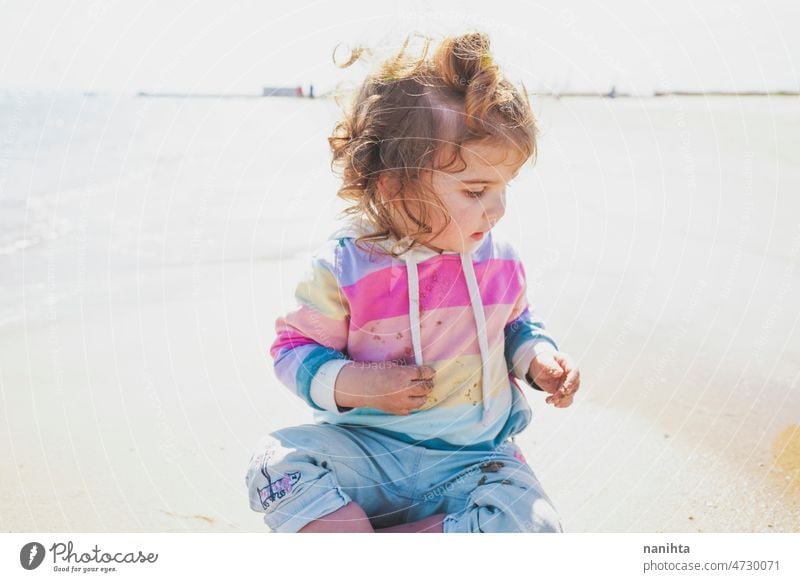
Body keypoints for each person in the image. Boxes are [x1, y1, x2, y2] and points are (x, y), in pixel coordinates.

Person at [245, 31, 581, 533]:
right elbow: (293, 350)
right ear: (395, 185)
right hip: (369, 453)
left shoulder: (499, 259)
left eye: (502, 188)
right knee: (276, 463)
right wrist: (356, 384)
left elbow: (515, 328)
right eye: (475, 190)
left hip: (476, 461)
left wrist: (539, 361)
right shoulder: (344, 267)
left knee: (535, 527)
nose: (496, 208)